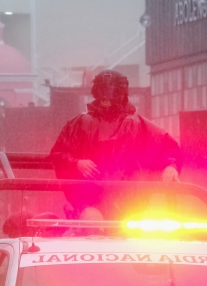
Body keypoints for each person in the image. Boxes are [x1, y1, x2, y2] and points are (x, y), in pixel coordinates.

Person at [50, 70, 183, 217]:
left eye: (111, 92)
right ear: (95, 92)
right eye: (101, 91)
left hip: (128, 208)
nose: (105, 97)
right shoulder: (79, 124)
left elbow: (167, 147)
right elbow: (59, 153)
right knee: (92, 218)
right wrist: (77, 164)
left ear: (121, 93)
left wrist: (170, 167)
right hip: (90, 205)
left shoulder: (137, 125)